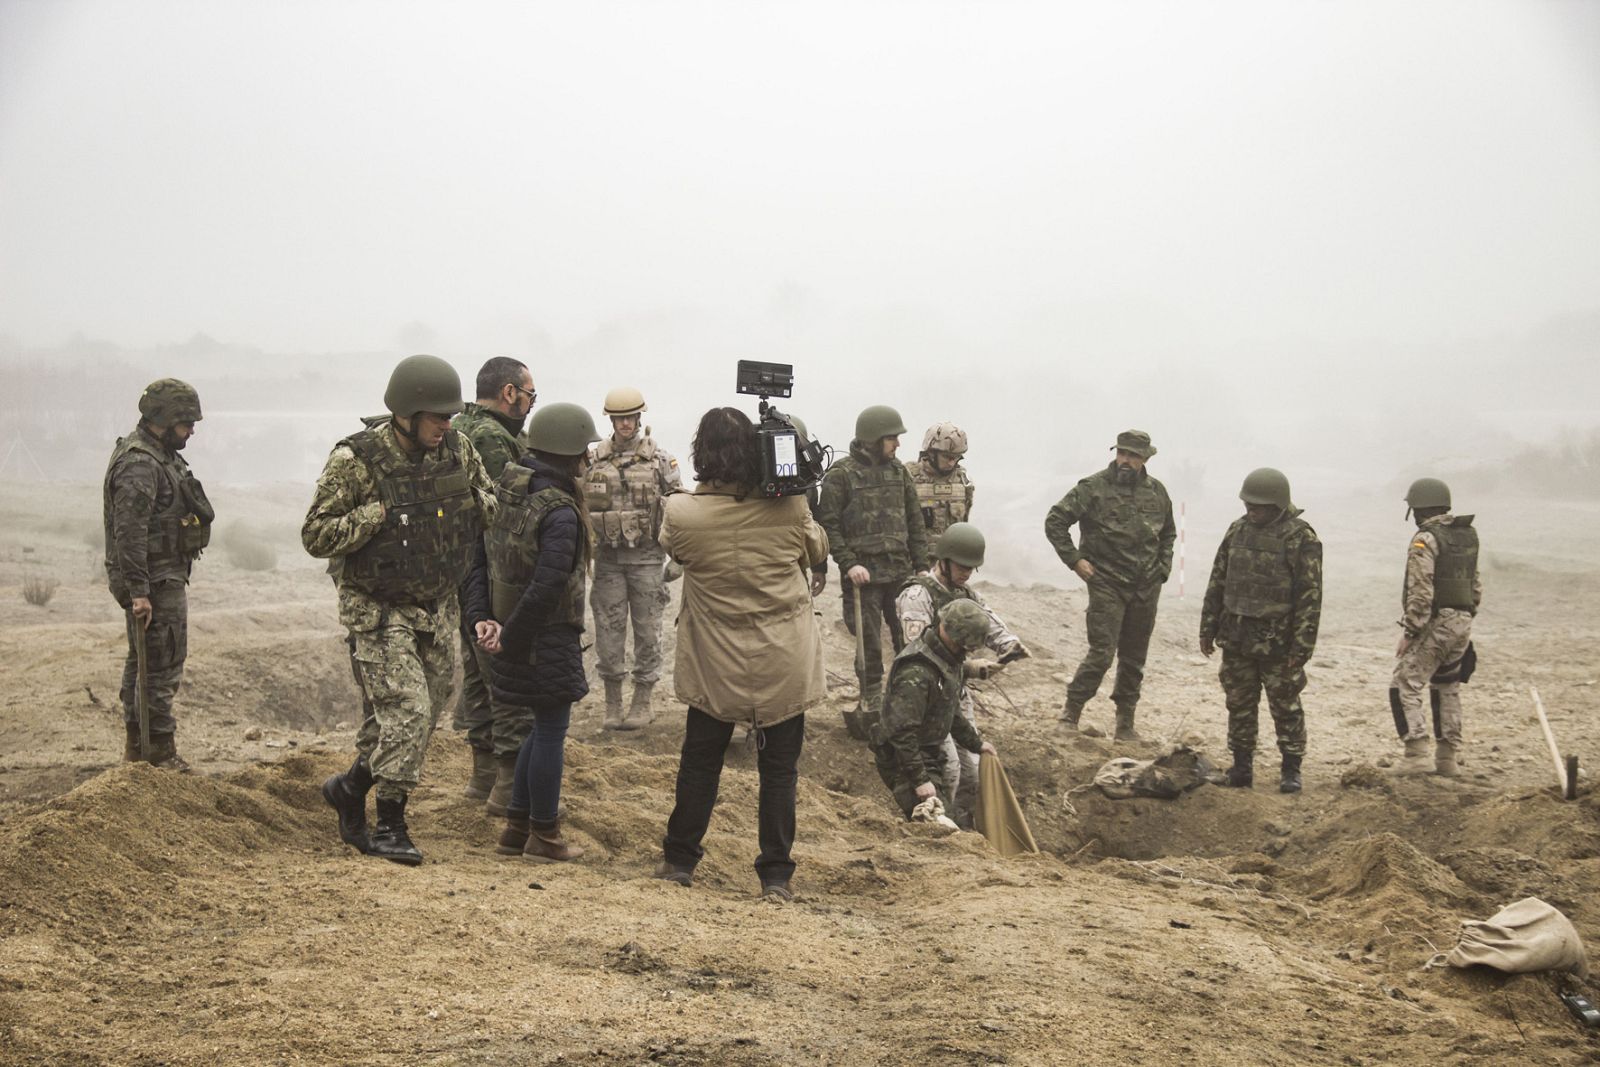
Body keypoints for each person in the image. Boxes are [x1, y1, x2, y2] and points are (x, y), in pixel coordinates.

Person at [308, 355, 495, 866]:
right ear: (407, 413)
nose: (446, 426)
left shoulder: (458, 449)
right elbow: (316, 534)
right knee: (408, 713)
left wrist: (467, 504)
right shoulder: (356, 460)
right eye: (437, 417)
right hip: (377, 608)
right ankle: (390, 824)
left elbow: (489, 504)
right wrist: (376, 515)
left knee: (419, 716)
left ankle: (349, 789)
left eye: (450, 416)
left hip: (435, 605)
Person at [653, 407, 829, 902]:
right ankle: (776, 875)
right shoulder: (790, 509)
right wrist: (794, 489)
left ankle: (679, 861)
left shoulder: (682, 513)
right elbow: (816, 550)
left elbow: (677, 550)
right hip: (782, 658)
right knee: (779, 771)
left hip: (715, 660)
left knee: (700, 762)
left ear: (700, 454)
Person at [463, 402, 600, 862]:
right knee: (550, 733)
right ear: (570, 453)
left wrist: (487, 621)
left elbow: (478, 560)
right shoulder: (560, 510)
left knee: (534, 731)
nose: (588, 460)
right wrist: (514, 636)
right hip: (546, 637)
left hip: (511, 631)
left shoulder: (507, 489)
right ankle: (545, 834)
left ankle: (515, 830)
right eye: (585, 451)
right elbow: (547, 586)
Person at [102, 378, 213, 769]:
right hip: (153, 580)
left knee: (146, 660)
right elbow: (128, 532)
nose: (191, 430)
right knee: (161, 663)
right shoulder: (140, 464)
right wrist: (138, 592)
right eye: (185, 422)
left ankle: (139, 750)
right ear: (163, 419)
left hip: (160, 577)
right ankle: (159, 753)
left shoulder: (159, 455)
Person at [1044, 429, 1176, 741]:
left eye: (1134, 455)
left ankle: (1125, 724)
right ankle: (1070, 713)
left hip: (1146, 586)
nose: (1126, 460)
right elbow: (1056, 521)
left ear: (1145, 459)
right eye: (1122, 453)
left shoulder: (1157, 492)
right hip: (1107, 582)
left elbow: (1168, 533)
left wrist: (1163, 569)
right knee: (1102, 652)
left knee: (1134, 656)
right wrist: (1075, 560)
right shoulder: (1093, 488)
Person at [1198, 469, 1322, 793]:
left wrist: (1302, 647)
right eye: (1248, 504)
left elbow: (1309, 595)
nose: (1251, 511)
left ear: (1278, 505)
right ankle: (1241, 769)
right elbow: (1218, 581)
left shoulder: (1300, 537)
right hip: (1237, 636)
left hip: (1277, 641)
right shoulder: (1237, 531)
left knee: (1285, 706)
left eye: (1259, 506)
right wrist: (1207, 627)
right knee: (1238, 703)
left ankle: (1291, 770)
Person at [895, 523, 1027, 826]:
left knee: (973, 769)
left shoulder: (965, 594)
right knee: (949, 769)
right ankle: (936, 825)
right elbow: (917, 654)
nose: (967, 572)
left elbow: (989, 623)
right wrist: (970, 668)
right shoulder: (917, 595)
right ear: (943, 560)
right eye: (962, 566)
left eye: (972, 567)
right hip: (926, 693)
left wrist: (1009, 645)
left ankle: (962, 828)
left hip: (954, 690)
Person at [450, 357, 537, 809]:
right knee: (503, 675)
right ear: (509, 393)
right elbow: (509, 509)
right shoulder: (490, 437)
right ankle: (505, 785)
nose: (529, 404)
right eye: (529, 395)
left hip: (465, 569)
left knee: (478, 676)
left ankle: (481, 780)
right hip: (491, 568)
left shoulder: (459, 425)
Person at [816, 404, 929, 741]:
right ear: (872, 439)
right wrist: (849, 564)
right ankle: (871, 705)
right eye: (891, 439)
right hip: (863, 578)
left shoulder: (900, 474)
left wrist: (921, 566)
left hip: (900, 574)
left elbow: (915, 523)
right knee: (868, 647)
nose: (897, 445)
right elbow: (829, 526)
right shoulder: (841, 476)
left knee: (909, 641)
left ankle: (908, 704)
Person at [584, 386, 682, 730]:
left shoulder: (660, 461)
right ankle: (613, 703)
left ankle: (642, 701)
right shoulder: (594, 460)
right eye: (619, 418)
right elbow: (581, 509)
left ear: (639, 418)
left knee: (648, 631)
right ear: (610, 420)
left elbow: (678, 509)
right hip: (608, 561)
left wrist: (679, 557)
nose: (625, 424)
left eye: (630, 417)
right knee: (609, 632)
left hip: (647, 559)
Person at [871, 598, 998, 820]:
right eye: (965, 646)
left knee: (944, 815)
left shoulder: (947, 659)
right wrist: (920, 780)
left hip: (927, 751)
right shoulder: (917, 672)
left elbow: (948, 708)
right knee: (935, 824)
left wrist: (976, 744)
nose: (967, 653)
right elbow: (901, 732)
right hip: (903, 758)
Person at [1390, 477, 1481, 776]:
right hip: (1462, 622)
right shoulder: (1466, 535)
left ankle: (1416, 753)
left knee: (1404, 682)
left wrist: (1410, 631)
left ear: (1417, 509)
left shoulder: (1425, 539)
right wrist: (1463, 621)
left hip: (1437, 622)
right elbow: (1475, 586)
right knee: (1447, 686)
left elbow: (1421, 590)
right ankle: (1447, 758)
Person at [911, 422, 974, 566]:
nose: (952, 463)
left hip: (950, 562)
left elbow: (964, 522)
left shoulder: (963, 481)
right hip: (917, 563)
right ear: (931, 453)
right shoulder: (908, 478)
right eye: (947, 457)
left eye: (956, 457)